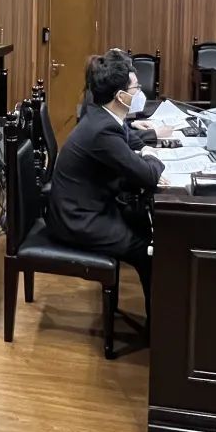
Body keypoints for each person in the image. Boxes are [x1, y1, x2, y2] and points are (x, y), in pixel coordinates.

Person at [47, 51, 165, 318]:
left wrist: (143, 156)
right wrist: (151, 155)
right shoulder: (103, 130)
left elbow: (132, 158)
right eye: (135, 88)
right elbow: (148, 175)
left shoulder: (101, 116)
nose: (139, 92)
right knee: (149, 250)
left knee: (143, 223)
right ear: (120, 96)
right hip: (78, 220)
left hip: (86, 206)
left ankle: (158, 321)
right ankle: (159, 330)